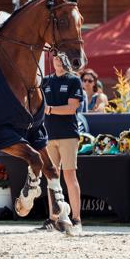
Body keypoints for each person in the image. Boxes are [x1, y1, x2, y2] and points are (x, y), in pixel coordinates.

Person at [40, 53, 83, 233]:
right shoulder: (46, 81)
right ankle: (54, 218)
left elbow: (72, 108)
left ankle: (76, 218)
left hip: (67, 135)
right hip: (49, 135)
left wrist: (49, 109)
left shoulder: (73, 80)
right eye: (55, 56)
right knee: (51, 177)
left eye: (61, 56)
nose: (57, 59)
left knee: (69, 176)